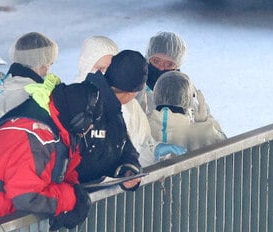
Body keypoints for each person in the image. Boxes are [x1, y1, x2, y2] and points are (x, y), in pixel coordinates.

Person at [0, 80, 102, 232]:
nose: (91, 127)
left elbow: (65, 167)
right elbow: (28, 197)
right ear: (80, 119)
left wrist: (74, 189)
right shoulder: (39, 139)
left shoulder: (52, 122)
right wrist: (71, 198)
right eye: (91, 122)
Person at [0, 32, 59, 169]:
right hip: (0, 169)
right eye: (49, 64)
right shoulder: (29, 94)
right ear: (41, 63)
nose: (48, 69)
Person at [75, 36, 157, 169]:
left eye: (110, 69)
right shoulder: (73, 101)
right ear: (86, 66)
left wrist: (133, 168)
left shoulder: (131, 105)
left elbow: (143, 143)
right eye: (100, 69)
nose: (105, 76)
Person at [76, 49, 147, 189]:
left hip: (84, 201)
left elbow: (126, 149)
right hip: (68, 202)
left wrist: (128, 171)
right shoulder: (85, 105)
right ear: (131, 93)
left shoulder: (113, 110)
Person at [139, 31, 212, 124]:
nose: (161, 68)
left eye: (169, 64)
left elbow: (205, 118)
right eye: (156, 61)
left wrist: (201, 123)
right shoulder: (135, 86)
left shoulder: (184, 87)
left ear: (177, 65)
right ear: (148, 58)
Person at [149, 71, 226, 159]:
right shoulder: (198, 132)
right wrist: (204, 123)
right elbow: (225, 150)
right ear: (188, 98)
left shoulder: (143, 123)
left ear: (156, 93)